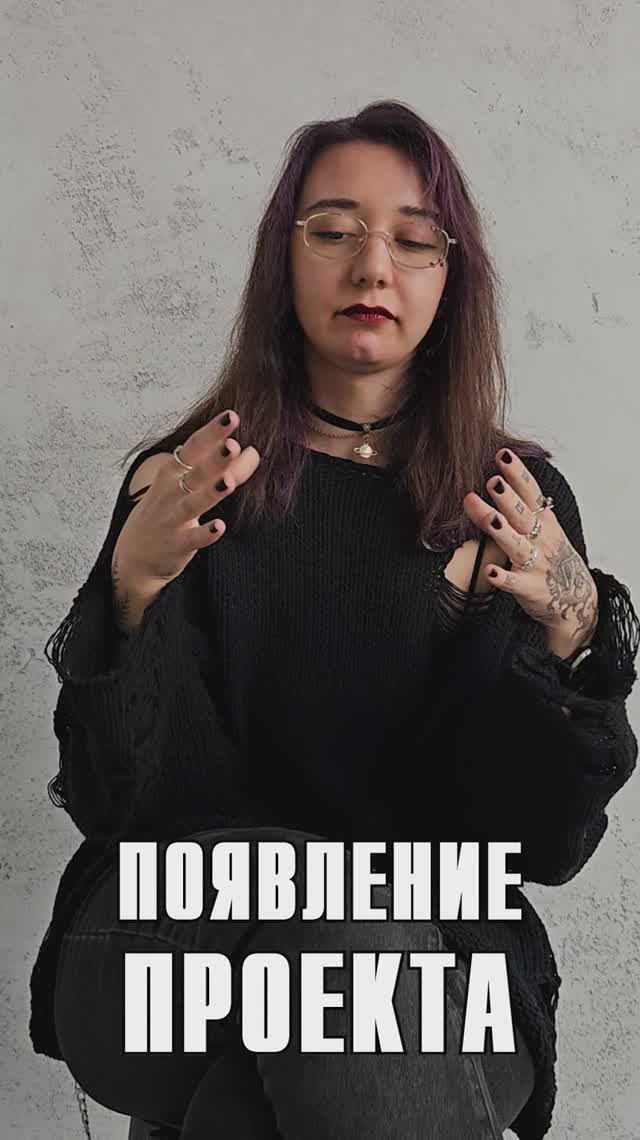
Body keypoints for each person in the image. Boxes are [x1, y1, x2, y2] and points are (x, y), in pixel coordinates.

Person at [30, 100, 639, 1140]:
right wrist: (129, 591)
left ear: (451, 278)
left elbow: (542, 845)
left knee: (282, 1067)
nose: (372, 267)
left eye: (413, 239)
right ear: (284, 258)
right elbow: (126, 806)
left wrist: (573, 635)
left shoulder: (518, 509)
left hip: (443, 969)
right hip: (174, 947)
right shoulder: (188, 484)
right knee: (339, 935)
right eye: (333, 230)